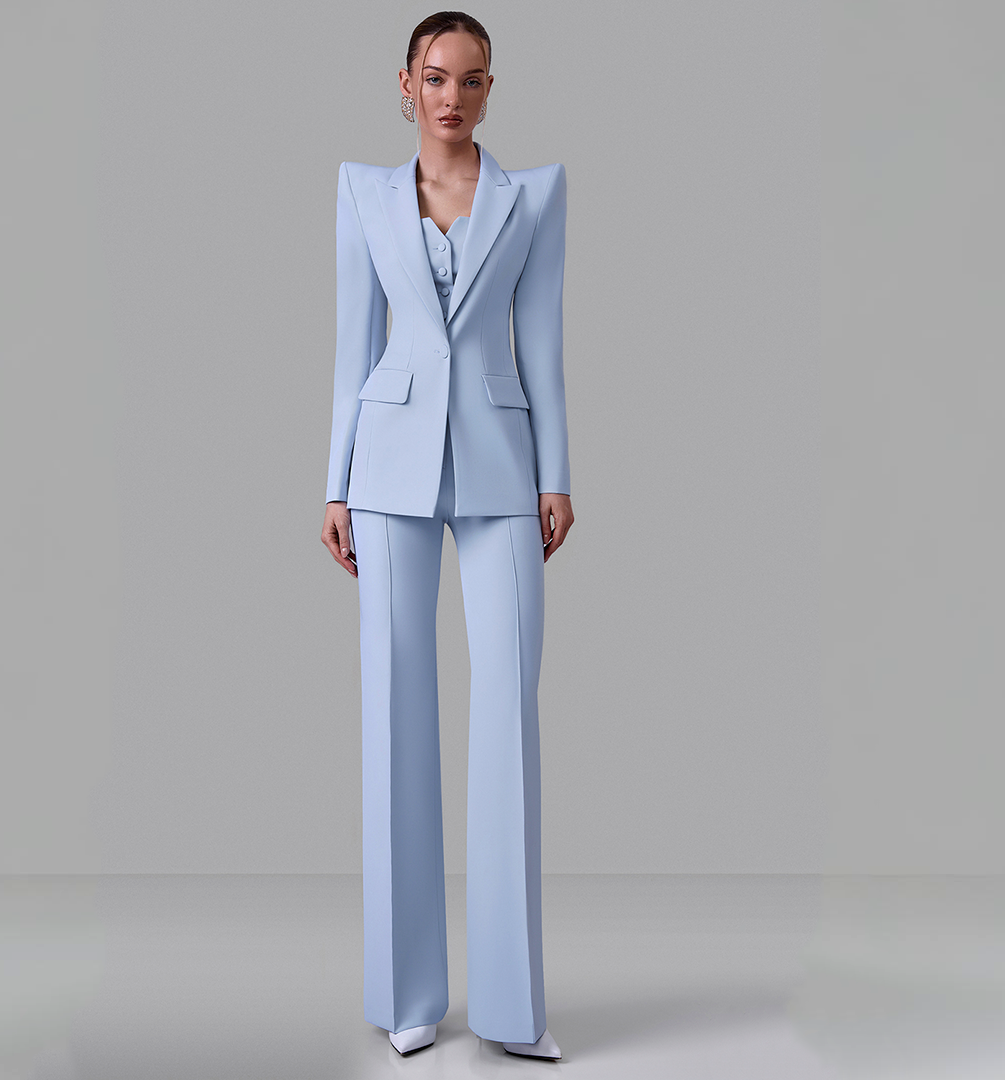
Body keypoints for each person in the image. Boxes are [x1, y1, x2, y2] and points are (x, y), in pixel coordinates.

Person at [318, 10, 573, 1062]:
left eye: (470, 79)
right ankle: (407, 994)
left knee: (507, 712)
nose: (451, 97)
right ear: (405, 84)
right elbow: (353, 348)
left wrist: (558, 474)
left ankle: (515, 1011)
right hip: (385, 469)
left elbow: (544, 341)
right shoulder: (361, 194)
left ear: (490, 89)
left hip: (503, 466)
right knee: (394, 713)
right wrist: (334, 483)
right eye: (434, 77)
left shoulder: (535, 196)